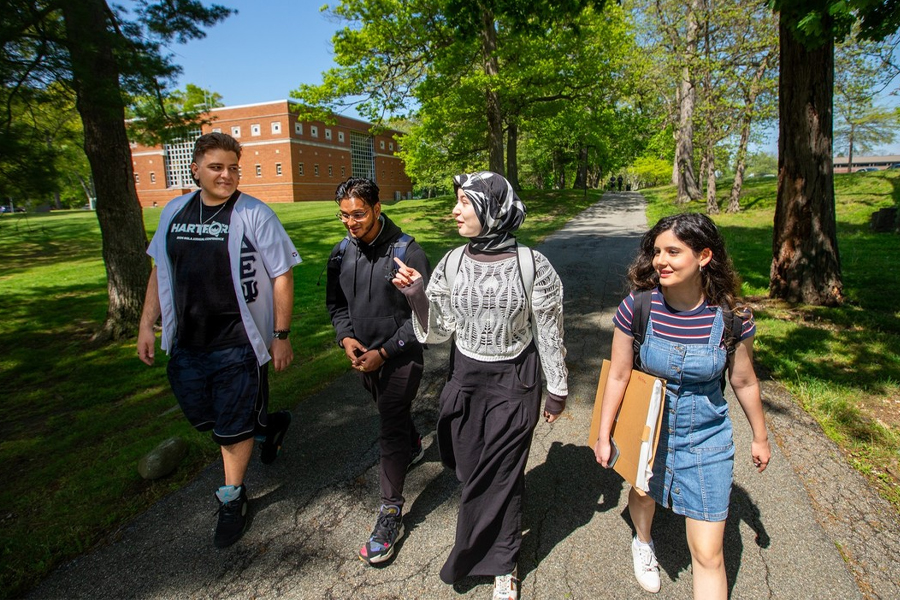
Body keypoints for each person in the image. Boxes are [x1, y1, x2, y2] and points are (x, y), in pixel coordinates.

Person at [391, 171, 568, 600]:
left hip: (515, 382)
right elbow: (439, 332)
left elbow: (549, 332)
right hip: (465, 378)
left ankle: (501, 564)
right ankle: (499, 509)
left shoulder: (533, 265)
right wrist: (417, 294)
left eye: (464, 203)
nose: (455, 210)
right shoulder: (452, 262)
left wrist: (557, 389)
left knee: (499, 476)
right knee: (468, 467)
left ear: (492, 210)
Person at [592, 213, 770, 598]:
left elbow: (743, 380)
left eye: (674, 251)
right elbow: (619, 376)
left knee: (708, 553)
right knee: (642, 495)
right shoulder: (637, 309)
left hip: (707, 439)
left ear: (704, 256)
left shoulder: (732, 320)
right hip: (647, 429)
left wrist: (760, 436)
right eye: (657, 251)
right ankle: (643, 541)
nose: (661, 261)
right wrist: (604, 434)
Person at [137, 132, 302, 549]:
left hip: (238, 340)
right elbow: (159, 269)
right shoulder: (173, 211)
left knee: (230, 428)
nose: (226, 175)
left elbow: (282, 272)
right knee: (205, 417)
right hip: (187, 341)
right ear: (195, 169)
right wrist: (146, 324)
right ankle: (267, 425)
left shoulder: (254, 214)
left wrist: (281, 335)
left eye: (233, 167)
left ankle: (232, 497)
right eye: (216, 167)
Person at [325, 177, 431, 566]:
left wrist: (384, 353)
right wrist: (345, 340)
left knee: (388, 425)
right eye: (344, 215)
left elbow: (424, 318)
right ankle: (415, 443)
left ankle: (390, 513)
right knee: (395, 418)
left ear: (377, 208)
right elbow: (336, 306)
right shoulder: (340, 253)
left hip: (401, 357)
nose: (351, 222)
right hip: (363, 359)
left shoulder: (408, 251)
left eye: (358, 214)